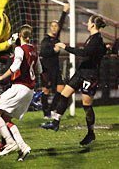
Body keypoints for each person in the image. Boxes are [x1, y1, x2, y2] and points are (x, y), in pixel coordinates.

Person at [41, 15, 107, 146]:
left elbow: (84, 53)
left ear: (93, 25)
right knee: (64, 94)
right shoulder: (93, 38)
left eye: (88, 22)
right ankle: (55, 122)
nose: (86, 23)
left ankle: (90, 133)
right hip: (81, 72)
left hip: (90, 76)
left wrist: (65, 47)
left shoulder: (97, 39)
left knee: (86, 105)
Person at [0, 24, 42, 161]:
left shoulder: (19, 49)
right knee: (5, 119)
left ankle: (10, 142)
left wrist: (1, 77)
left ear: (19, 35)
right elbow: (39, 70)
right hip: (29, 90)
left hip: (19, 87)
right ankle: (23, 147)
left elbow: (15, 65)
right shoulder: (34, 50)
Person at [40, 3, 69, 118]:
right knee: (45, 91)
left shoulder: (56, 38)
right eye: (52, 26)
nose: (54, 28)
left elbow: (61, 24)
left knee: (60, 89)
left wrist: (64, 12)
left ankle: (52, 110)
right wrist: (54, 50)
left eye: (56, 26)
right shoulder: (45, 40)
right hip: (46, 69)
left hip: (56, 68)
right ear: (49, 27)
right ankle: (46, 113)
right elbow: (43, 53)